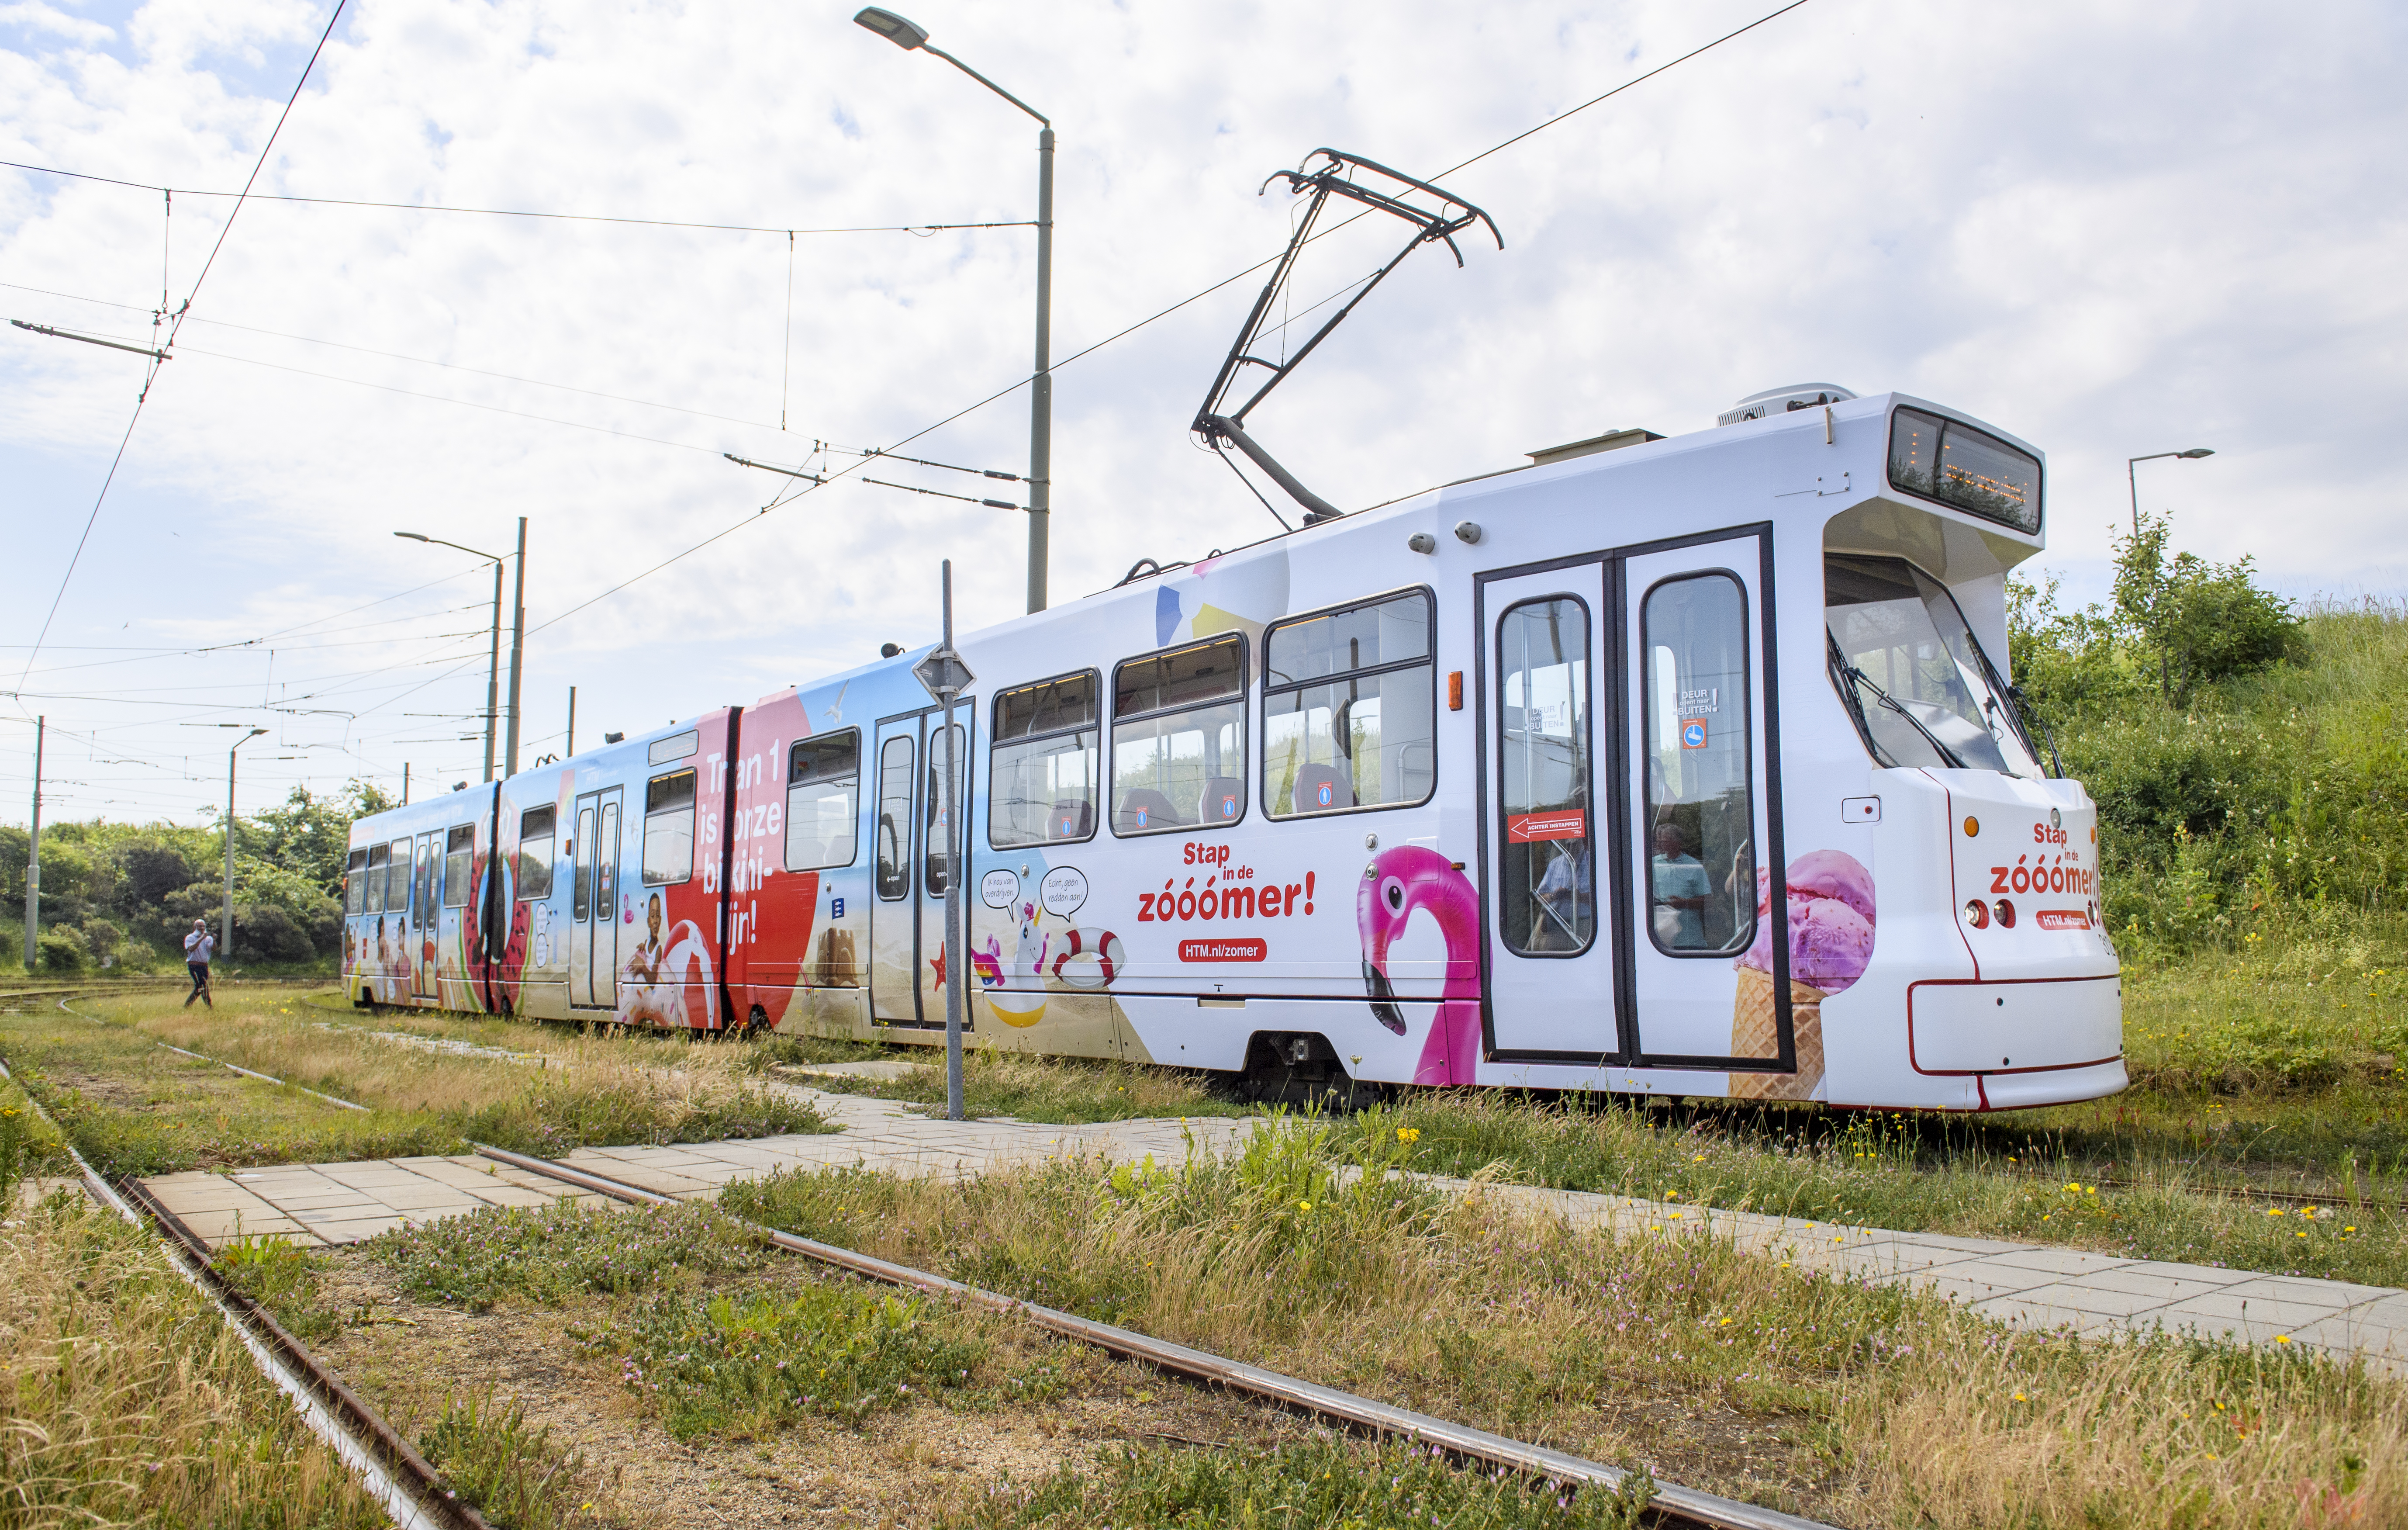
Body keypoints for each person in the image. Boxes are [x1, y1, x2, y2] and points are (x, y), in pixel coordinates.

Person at [1651, 822, 1712, 949]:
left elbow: (1709, 901)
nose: (1660, 844)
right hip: (1659, 941)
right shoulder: (1654, 864)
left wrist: (1683, 903)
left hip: (1689, 940)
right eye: (1660, 841)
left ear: (1677, 843)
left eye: (1664, 841)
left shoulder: (1693, 866)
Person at [182, 918, 216, 1009]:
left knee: (200, 987)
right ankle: (209, 1006)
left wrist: (215, 940)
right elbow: (191, 949)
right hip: (194, 965)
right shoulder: (190, 938)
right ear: (195, 927)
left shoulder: (208, 939)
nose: (202, 928)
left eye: (203, 926)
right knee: (202, 985)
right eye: (200, 926)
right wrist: (201, 938)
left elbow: (213, 949)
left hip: (204, 966)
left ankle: (187, 1006)